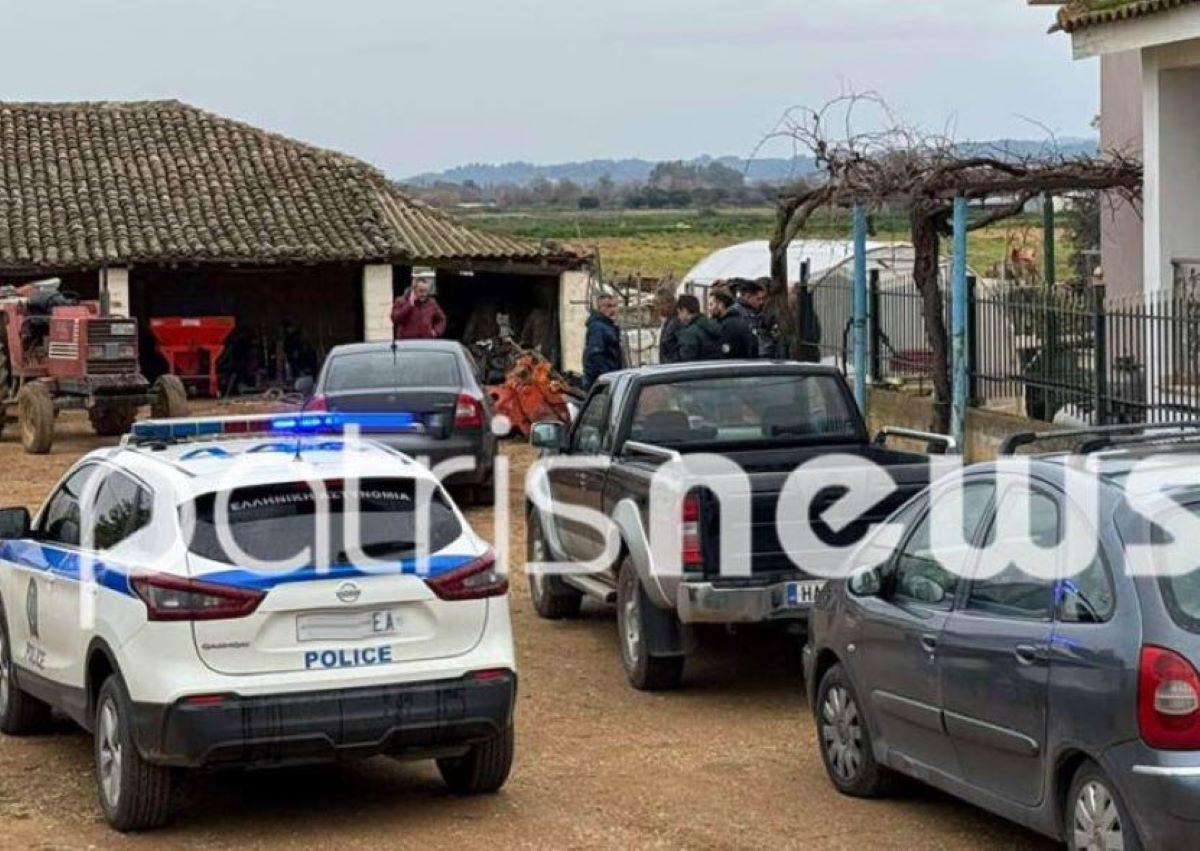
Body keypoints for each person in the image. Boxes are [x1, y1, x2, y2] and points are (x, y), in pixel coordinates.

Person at [582, 292, 624, 389]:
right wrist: (606, 378)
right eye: (608, 306)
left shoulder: (608, 326)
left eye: (614, 306)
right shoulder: (598, 328)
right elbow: (595, 356)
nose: (612, 310)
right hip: (603, 381)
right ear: (600, 308)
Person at [708, 288, 756, 359]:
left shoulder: (729, 326)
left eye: (711, 304)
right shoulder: (737, 320)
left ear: (721, 304)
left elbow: (725, 355)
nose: (709, 308)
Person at [674, 294, 721, 361]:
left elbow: (686, 361)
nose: (678, 317)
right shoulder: (712, 325)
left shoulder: (689, 333)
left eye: (678, 313)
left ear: (684, 310)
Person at [655, 286, 681, 364]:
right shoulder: (669, 321)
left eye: (658, 304)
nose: (657, 308)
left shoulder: (674, 323)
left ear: (667, 303)